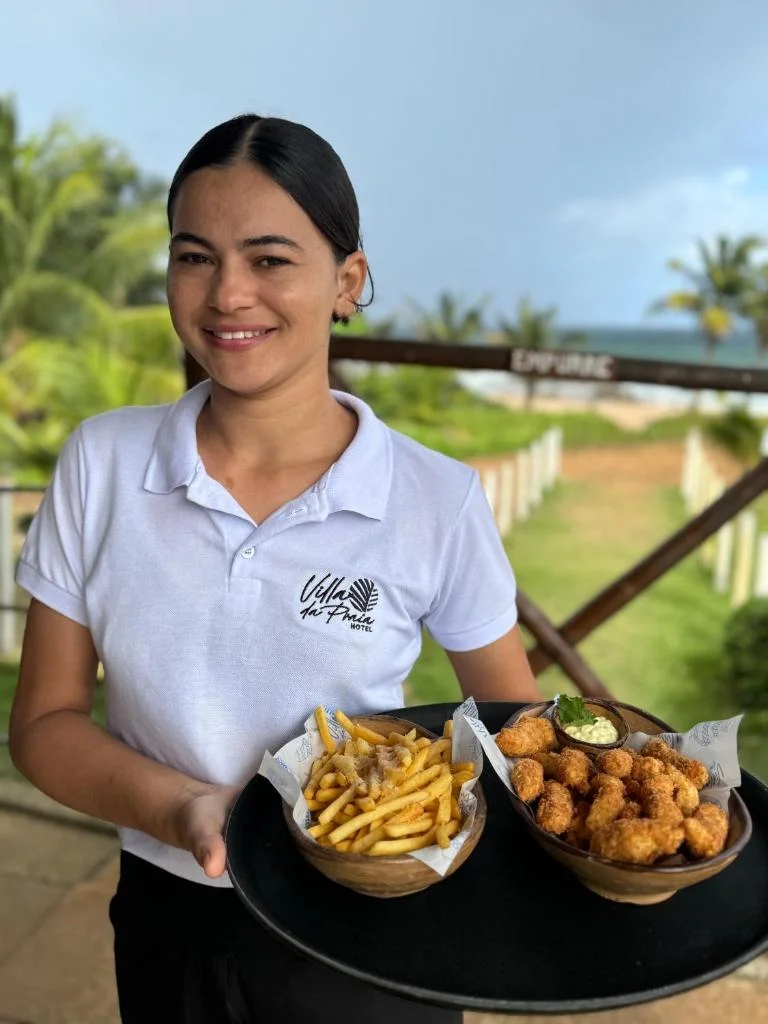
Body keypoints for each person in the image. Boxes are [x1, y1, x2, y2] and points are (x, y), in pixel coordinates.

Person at [9, 114, 542, 1023]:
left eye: (269, 259)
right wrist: (185, 808)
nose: (227, 294)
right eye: (194, 257)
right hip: (171, 920)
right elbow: (43, 725)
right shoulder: (102, 462)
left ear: (347, 281)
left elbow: (515, 737)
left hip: (378, 933)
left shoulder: (433, 497)